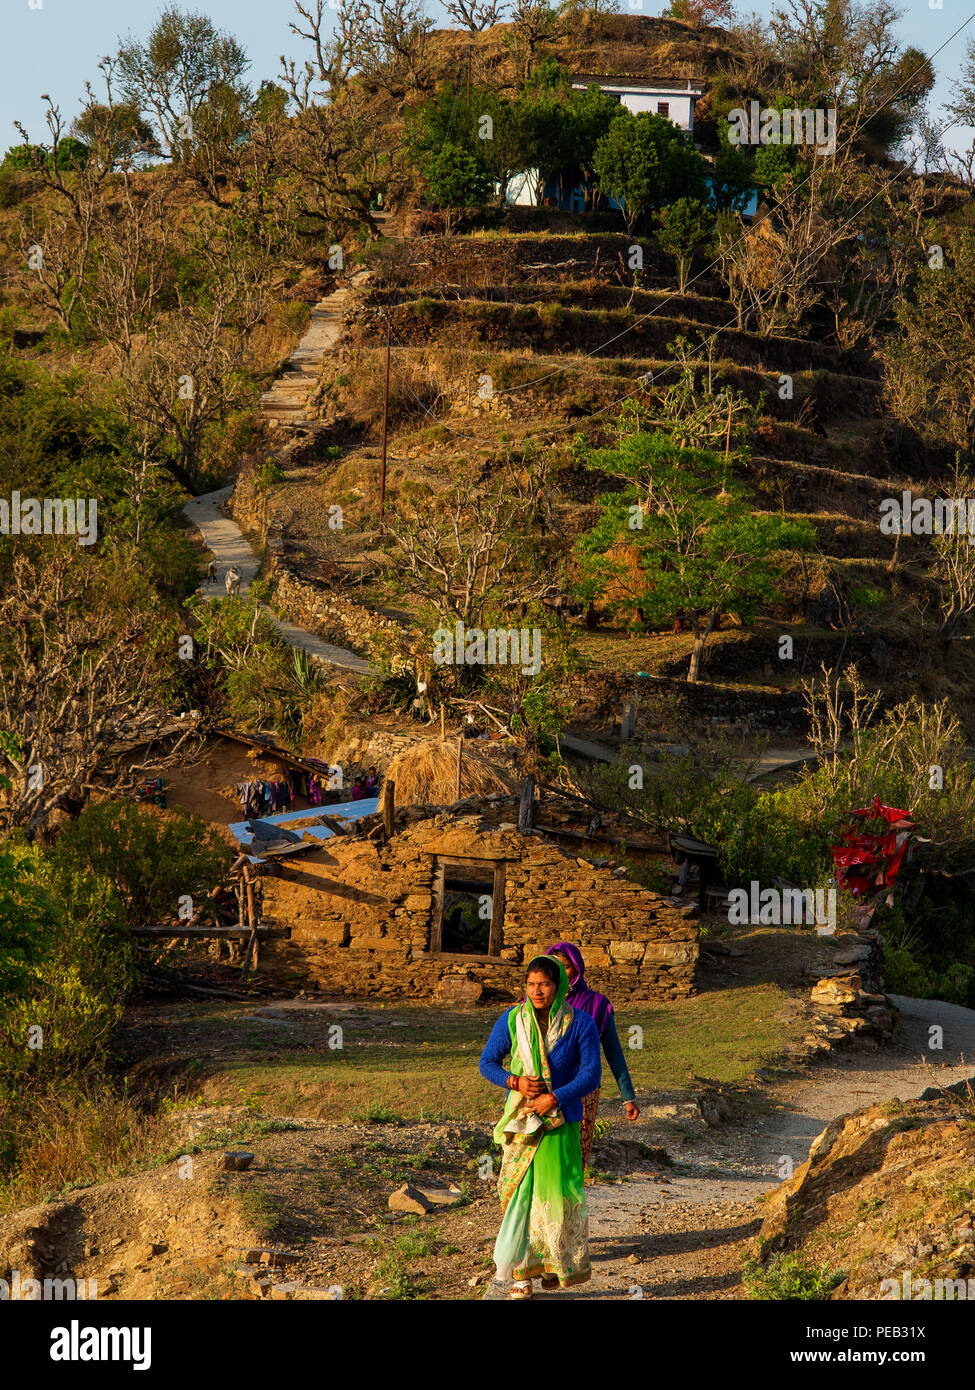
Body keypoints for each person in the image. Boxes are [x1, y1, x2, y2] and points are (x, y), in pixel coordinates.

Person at [479, 955, 600, 1298]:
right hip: (522, 1123)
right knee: (520, 1193)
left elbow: (591, 1075)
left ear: (559, 985)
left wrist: (555, 1097)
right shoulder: (513, 1020)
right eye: (531, 984)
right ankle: (520, 1273)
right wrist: (513, 1080)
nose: (537, 991)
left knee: (557, 1196)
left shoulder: (581, 1024)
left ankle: (550, 1265)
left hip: (561, 1122)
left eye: (544, 984)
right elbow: (486, 1062)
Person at [545, 941, 640, 1171]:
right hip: (545, 1087)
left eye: (565, 967)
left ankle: (570, 1203)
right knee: (544, 1156)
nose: (559, 973)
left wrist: (627, 1095)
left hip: (583, 1091)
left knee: (574, 1157)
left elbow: (613, 1052)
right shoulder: (540, 1003)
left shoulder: (596, 1005)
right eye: (553, 966)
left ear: (577, 970)